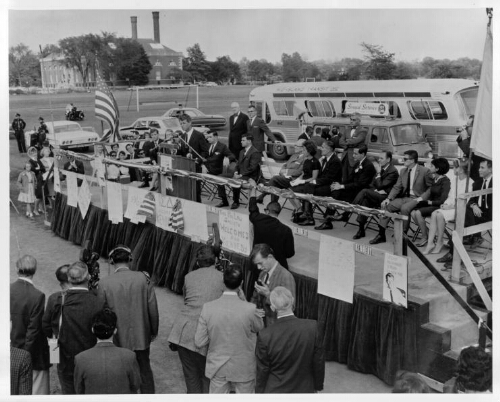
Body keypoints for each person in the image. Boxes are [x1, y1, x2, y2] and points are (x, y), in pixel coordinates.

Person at [98, 245, 159, 394]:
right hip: (142, 334)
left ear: (112, 261)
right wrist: (153, 330)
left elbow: (101, 312)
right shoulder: (143, 279)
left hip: (118, 337)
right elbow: (153, 308)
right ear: (130, 259)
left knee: (123, 372)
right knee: (144, 369)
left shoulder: (104, 283)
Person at [194, 265, 264, 393]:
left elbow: (199, 342)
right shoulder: (250, 309)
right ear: (241, 283)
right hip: (243, 367)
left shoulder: (208, 308)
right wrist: (244, 300)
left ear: (223, 281)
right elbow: (259, 327)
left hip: (218, 367)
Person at [167, 246, 225, 394]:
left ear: (198, 263)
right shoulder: (224, 278)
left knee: (191, 377)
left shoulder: (188, 276)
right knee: (208, 378)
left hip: (184, 332)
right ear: (216, 260)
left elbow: (186, 299)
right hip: (209, 334)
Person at [42, 262, 104, 394]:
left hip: (65, 358)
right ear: (87, 278)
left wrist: (56, 339)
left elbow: (46, 327)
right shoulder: (98, 301)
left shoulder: (55, 299)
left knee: (68, 391)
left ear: (69, 279)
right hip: (90, 359)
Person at [255, 287, 325, 393]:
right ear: (292, 301)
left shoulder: (265, 335)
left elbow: (262, 370)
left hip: (276, 390)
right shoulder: (312, 327)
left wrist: (259, 393)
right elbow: (318, 362)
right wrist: (318, 386)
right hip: (304, 389)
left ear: (273, 307)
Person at [369, 150, 433, 245]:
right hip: (405, 198)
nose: (403, 161)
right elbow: (397, 187)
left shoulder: (424, 171)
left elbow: (430, 188)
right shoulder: (403, 171)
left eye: (405, 159)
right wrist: (388, 198)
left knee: (404, 208)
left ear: (412, 160)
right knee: (386, 206)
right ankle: (381, 235)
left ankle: (403, 235)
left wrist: (421, 198)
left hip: (417, 198)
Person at [438, 159, 492, 268]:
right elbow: (471, 200)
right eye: (479, 167)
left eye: (482, 168)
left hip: (490, 214)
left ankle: (455, 252)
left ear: (490, 169)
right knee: (463, 213)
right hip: (476, 213)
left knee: (461, 220)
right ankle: (457, 251)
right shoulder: (478, 182)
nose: (479, 170)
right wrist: (474, 205)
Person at [74, 308, 141, 394]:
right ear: (115, 331)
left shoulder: (80, 359)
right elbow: (135, 385)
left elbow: (79, 390)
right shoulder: (129, 356)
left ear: (93, 330)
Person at [10, 255, 50, 395]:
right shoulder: (38, 295)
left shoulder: (7, 289)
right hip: (29, 352)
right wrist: (25, 355)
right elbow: (33, 329)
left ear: (16, 269)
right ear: (35, 271)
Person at [315, 144, 376, 230]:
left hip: (360, 192)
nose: (353, 155)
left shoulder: (368, 165)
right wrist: (338, 185)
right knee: (335, 191)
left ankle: (329, 219)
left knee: (336, 193)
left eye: (356, 154)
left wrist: (342, 186)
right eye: (353, 153)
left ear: (362, 154)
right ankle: (328, 218)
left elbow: (360, 184)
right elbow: (350, 178)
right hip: (353, 189)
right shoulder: (358, 163)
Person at [423, 159, 473, 255]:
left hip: (460, 209)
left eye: (455, 167)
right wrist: (445, 204)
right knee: (435, 214)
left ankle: (439, 242)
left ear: (461, 170)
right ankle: (430, 243)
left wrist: (450, 207)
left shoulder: (469, 182)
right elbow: (450, 196)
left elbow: (465, 201)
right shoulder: (455, 180)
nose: (453, 169)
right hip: (450, 207)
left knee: (439, 215)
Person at [351, 151, 399, 240]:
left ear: (388, 160)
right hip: (377, 194)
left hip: (387, 197)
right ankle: (361, 229)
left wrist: (378, 177)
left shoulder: (393, 171)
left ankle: (350, 209)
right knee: (365, 200)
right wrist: (377, 189)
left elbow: (381, 185)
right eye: (379, 158)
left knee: (365, 192)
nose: (379, 160)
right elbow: (372, 185)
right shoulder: (381, 168)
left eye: (381, 158)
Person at [248, 179, 295, 269]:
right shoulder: (286, 230)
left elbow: (252, 207)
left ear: (267, 211)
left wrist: (254, 188)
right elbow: (290, 253)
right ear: (278, 212)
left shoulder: (258, 220)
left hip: (259, 265)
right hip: (278, 267)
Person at [294, 140, 342, 226]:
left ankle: (308, 216)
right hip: (323, 183)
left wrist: (314, 181)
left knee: (308, 187)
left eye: (323, 147)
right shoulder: (325, 159)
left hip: (331, 187)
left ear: (329, 149)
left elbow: (329, 178)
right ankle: (306, 213)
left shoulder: (335, 161)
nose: (321, 149)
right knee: (307, 186)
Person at [250, 244, 296, 327]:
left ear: (270, 257)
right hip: (263, 328)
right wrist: (253, 309)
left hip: (277, 329)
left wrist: (268, 295)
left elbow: (290, 307)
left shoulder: (286, 276)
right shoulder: (262, 274)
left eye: (260, 263)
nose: (258, 267)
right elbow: (255, 297)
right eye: (256, 264)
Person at [410, 158, 451, 247]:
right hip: (431, 204)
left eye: (431, 166)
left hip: (439, 206)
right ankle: (427, 234)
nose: (429, 167)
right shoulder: (434, 179)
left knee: (418, 213)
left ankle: (425, 237)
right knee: (413, 212)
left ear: (437, 169)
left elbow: (442, 200)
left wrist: (428, 202)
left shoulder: (445, 181)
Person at [256, 139, 306, 204]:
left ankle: (264, 196)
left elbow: (299, 172)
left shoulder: (305, 158)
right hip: (285, 178)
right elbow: (285, 164)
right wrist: (282, 171)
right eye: (295, 145)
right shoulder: (294, 155)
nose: (295, 147)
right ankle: (273, 204)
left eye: (297, 146)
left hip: (294, 180)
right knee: (275, 184)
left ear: (303, 148)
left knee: (275, 179)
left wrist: (286, 171)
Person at [178, 113, 209, 202]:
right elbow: (182, 152)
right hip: (185, 167)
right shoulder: (183, 136)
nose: (182, 125)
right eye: (180, 124)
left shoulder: (198, 135)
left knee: (195, 190)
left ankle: (198, 207)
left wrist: (197, 159)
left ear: (190, 122)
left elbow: (205, 152)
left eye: (183, 123)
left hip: (196, 167)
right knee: (186, 189)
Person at [288, 140, 321, 220]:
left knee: (292, 192)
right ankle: (298, 208)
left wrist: (302, 181)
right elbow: (303, 174)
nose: (303, 151)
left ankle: (300, 210)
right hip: (304, 181)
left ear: (309, 151)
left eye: (304, 150)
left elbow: (314, 177)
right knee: (289, 190)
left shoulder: (315, 162)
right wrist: (297, 180)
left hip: (310, 184)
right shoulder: (306, 161)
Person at [203, 131, 236, 208]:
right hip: (206, 169)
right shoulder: (207, 146)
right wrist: (203, 165)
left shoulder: (222, 146)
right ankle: (194, 196)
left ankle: (224, 201)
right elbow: (203, 157)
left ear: (216, 137)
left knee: (219, 178)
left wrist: (227, 158)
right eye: (207, 137)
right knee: (194, 173)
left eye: (210, 137)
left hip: (217, 170)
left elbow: (232, 156)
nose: (208, 139)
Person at [230, 134, 262, 209]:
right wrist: (236, 172)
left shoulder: (255, 152)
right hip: (242, 175)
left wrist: (240, 175)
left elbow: (252, 168)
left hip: (250, 177)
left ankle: (236, 201)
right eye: (241, 140)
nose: (241, 142)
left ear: (249, 141)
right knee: (232, 179)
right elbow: (237, 165)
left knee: (235, 181)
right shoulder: (241, 152)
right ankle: (234, 200)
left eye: (243, 140)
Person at [41, 264, 70, 342]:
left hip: (58, 339)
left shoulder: (54, 298)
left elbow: (45, 323)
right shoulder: (84, 296)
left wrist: (53, 335)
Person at [339, 113, 368, 182]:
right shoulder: (347, 130)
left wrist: (347, 141)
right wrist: (350, 143)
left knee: (352, 177)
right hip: (345, 157)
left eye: (354, 120)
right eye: (351, 119)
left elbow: (357, 140)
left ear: (359, 121)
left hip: (355, 158)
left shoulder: (363, 130)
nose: (351, 121)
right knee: (343, 177)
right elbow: (340, 141)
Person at [456, 115, 481, 182]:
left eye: (468, 126)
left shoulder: (480, 139)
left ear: (475, 127)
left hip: (477, 172)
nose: (466, 128)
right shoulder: (471, 138)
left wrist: (464, 138)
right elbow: (461, 143)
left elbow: (468, 152)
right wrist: (462, 137)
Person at [27, 147, 46, 215]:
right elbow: (30, 171)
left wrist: (39, 169)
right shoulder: (30, 162)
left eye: (35, 152)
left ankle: (40, 208)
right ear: (30, 154)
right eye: (33, 153)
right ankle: (35, 209)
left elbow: (43, 168)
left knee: (41, 194)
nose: (35, 154)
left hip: (41, 178)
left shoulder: (38, 160)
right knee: (38, 195)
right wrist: (38, 169)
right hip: (35, 180)